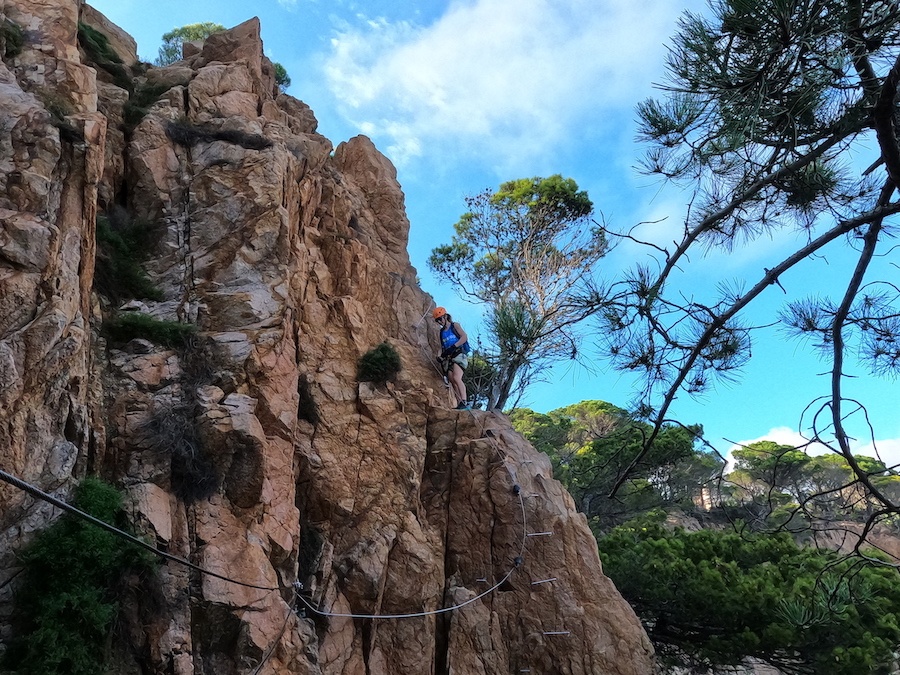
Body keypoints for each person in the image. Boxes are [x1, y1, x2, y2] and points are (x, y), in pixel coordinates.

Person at [433, 306, 470, 410]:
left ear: (445, 316)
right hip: (449, 357)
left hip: (459, 354)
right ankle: (459, 403)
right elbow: (441, 347)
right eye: (437, 320)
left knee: (456, 377)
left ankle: (464, 401)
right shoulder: (441, 333)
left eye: (440, 319)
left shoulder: (455, 326)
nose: (440, 322)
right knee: (451, 379)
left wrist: (454, 346)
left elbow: (464, 337)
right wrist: (439, 356)